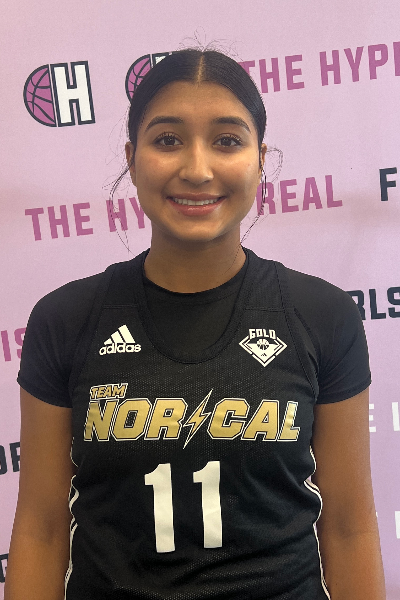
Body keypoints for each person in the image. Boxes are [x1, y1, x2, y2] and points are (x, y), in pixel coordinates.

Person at [5, 49, 385, 600]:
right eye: (168, 140)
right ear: (132, 158)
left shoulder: (323, 315)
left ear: (260, 160)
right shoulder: (65, 319)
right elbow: (40, 530)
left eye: (227, 141)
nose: (198, 169)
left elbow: (349, 528)